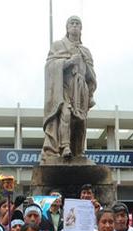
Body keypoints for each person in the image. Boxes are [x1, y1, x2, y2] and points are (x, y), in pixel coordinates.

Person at [42, 15, 97, 159]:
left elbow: (91, 75)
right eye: (71, 23)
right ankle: (65, 146)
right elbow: (50, 67)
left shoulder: (85, 51)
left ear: (81, 29)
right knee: (66, 114)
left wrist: (90, 93)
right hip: (64, 88)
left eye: (77, 23)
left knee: (81, 121)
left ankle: (78, 150)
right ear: (67, 27)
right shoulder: (58, 45)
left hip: (80, 89)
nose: (74, 25)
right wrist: (69, 62)